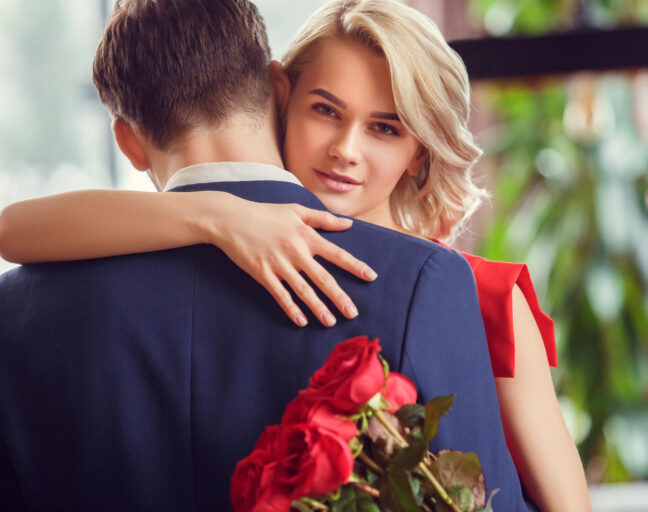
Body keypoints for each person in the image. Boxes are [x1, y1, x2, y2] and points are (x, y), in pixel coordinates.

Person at [0, 1, 591, 511]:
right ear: (282, 93)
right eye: (326, 110)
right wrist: (216, 215)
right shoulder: (424, 286)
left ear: (418, 152)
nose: (345, 151)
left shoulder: (459, 287)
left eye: (385, 128)